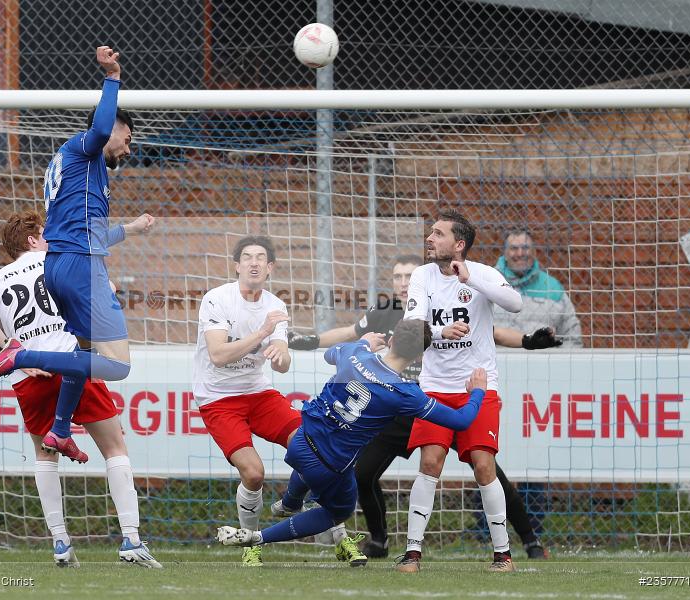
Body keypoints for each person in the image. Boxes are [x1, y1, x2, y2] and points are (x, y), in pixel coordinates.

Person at [289, 254, 557, 559]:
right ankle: (379, 541)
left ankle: (530, 541)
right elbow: (351, 334)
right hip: (395, 412)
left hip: (433, 403)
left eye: (408, 276)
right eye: (398, 277)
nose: (404, 283)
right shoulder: (387, 311)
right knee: (362, 474)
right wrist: (308, 341)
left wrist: (527, 340)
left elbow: (491, 333)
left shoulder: (440, 301)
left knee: (487, 469)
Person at [0, 45, 152, 464]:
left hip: (64, 264)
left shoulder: (72, 168)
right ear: (111, 127)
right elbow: (99, 130)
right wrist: (112, 77)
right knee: (118, 367)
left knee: (83, 353)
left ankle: (59, 430)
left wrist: (128, 230)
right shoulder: (83, 148)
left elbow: (82, 232)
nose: (128, 151)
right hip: (76, 268)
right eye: (126, 139)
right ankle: (18, 355)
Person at [0, 210, 161, 568]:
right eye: (46, 233)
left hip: (30, 373)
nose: (52, 237)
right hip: (72, 359)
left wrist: (13, 351)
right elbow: (105, 292)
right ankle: (132, 539)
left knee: (45, 455)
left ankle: (60, 543)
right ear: (32, 239)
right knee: (114, 446)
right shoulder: (62, 261)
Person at [216, 320, 485, 563]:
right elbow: (461, 421)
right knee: (338, 510)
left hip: (300, 440)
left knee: (313, 459)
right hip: (331, 465)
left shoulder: (355, 354)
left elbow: (330, 353)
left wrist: (363, 343)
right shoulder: (406, 392)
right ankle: (257, 538)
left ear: (390, 340)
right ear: (419, 356)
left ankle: (291, 500)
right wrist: (477, 393)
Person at [193, 235, 360, 566]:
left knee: (319, 451)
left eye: (260, 258)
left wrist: (281, 353)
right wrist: (260, 334)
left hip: (260, 394)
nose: (253, 262)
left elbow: (281, 362)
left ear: (269, 268)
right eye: (247, 257)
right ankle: (251, 545)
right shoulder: (217, 300)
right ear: (237, 265)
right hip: (219, 399)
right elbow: (218, 355)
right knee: (253, 474)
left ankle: (340, 538)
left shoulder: (275, 305)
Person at [400, 209, 523, 573]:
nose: (429, 238)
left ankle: (502, 555)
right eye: (430, 233)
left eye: (437, 234)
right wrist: (439, 332)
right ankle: (412, 552)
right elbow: (412, 326)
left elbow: (515, 304)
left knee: (485, 466)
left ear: (458, 245)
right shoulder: (422, 275)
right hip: (435, 390)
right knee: (430, 463)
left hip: (478, 387)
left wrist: (473, 280)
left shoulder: (482, 273)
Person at [493, 229, 582, 347]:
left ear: (534, 252)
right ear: (505, 253)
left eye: (525, 248)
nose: (520, 253)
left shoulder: (552, 287)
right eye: (514, 248)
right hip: (496, 362)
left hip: (544, 363)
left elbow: (572, 335)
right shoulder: (489, 281)